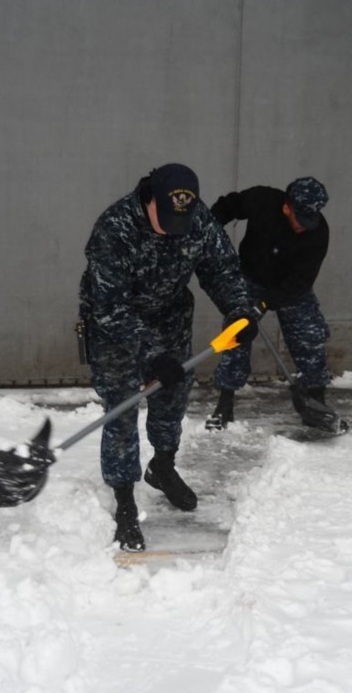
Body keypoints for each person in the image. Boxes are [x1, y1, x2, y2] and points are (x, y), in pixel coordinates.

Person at [79, 163, 258, 552]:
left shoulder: (196, 217)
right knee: (122, 409)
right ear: (149, 201)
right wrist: (152, 353)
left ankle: (162, 466)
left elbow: (221, 268)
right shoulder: (115, 229)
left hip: (170, 317)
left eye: (184, 220)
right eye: (167, 220)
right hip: (116, 325)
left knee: (171, 399)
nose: (177, 228)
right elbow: (108, 307)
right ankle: (124, 500)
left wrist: (238, 310)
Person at [205, 176, 336, 430]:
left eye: (312, 219)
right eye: (301, 219)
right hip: (251, 277)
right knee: (236, 334)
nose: (305, 226)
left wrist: (265, 303)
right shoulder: (262, 200)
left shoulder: (318, 232)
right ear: (287, 206)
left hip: (291, 288)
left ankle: (317, 399)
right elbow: (229, 206)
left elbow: (301, 280)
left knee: (310, 335)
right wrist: (210, 230)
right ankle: (225, 402)